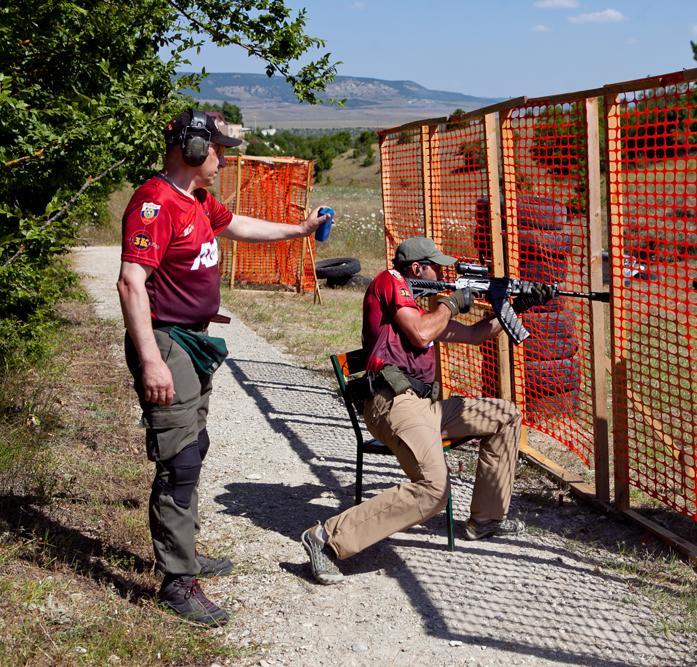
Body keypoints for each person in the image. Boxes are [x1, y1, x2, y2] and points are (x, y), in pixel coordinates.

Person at [117, 108, 329, 625]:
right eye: (220, 151)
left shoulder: (198, 199)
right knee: (180, 460)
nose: (225, 161)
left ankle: (184, 555)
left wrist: (298, 230)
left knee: (194, 446)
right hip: (167, 345)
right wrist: (151, 361)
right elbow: (130, 283)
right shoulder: (154, 203)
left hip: (194, 341)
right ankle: (177, 581)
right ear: (193, 148)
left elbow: (237, 226)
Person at [301, 237, 553, 584]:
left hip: (424, 407)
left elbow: (475, 334)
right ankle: (326, 538)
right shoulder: (389, 281)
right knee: (435, 489)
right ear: (417, 269)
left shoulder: (422, 311)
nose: (442, 273)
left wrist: (515, 308)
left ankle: (486, 520)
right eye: (436, 267)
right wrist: (452, 302)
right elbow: (421, 335)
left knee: (506, 415)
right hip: (391, 403)